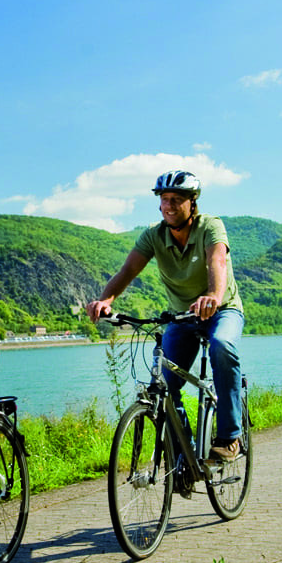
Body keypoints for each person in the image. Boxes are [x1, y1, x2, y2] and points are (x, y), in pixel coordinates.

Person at [87, 170, 245, 462]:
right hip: (181, 317)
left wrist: (213, 296)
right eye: (164, 199)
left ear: (192, 202)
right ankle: (184, 457)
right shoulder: (154, 236)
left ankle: (230, 436)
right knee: (162, 385)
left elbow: (217, 261)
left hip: (222, 310)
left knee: (223, 346)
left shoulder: (210, 226)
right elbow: (127, 271)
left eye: (176, 199)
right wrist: (105, 300)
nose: (168, 205)